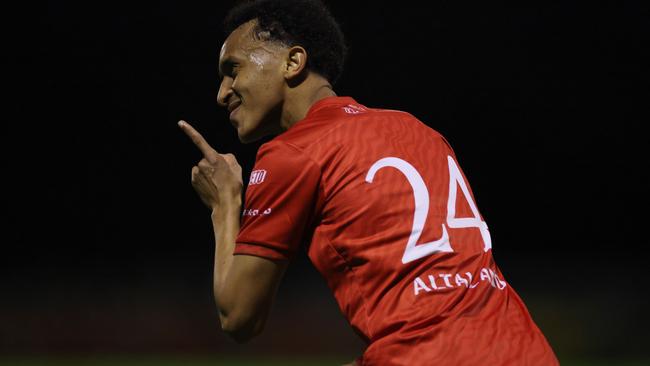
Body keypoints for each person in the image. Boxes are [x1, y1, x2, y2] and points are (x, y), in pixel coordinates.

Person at [178, 0, 559, 364]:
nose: (222, 93)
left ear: (293, 62)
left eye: (233, 69)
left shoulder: (294, 152)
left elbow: (238, 317)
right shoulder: (419, 130)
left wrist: (225, 203)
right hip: (524, 349)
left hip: (426, 355)